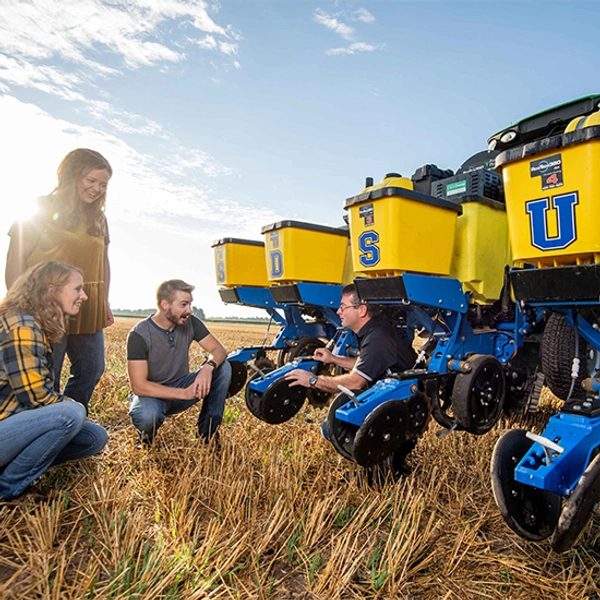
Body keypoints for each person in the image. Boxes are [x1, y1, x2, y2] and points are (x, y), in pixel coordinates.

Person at [5, 149, 114, 412]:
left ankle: (69, 421)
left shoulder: (98, 218)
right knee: (48, 372)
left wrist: (105, 301)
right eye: (91, 181)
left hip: (87, 303)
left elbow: (104, 261)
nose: (97, 189)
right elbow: (16, 256)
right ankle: (45, 427)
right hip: (46, 302)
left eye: (103, 184)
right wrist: (19, 302)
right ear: (72, 176)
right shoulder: (40, 208)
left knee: (91, 367)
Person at [285, 283, 417, 480]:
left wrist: (312, 380)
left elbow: (355, 382)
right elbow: (367, 364)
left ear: (361, 310)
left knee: (332, 428)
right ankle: (388, 459)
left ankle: (383, 467)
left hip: (404, 406)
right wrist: (333, 359)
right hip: (391, 396)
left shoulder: (378, 337)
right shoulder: (373, 331)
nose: (338, 311)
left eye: (343, 307)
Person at [0, 261, 108, 501]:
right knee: (69, 414)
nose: (85, 296)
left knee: (93, 438)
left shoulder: (34, 324)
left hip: (10, 422)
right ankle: (7, 489)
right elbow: (35, 397)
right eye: (77, 289)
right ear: (52, 290)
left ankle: (11, 470)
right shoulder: (22, 326)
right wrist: (74, 406)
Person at [127, 279, 232, 446]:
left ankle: (208, 436)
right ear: (164, 305)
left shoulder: (191, 323)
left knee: (223, 368)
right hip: (152, 395)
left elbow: (219, 351)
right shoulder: (139, 335)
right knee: (146, 417)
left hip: (182, 385)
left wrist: (208, 367)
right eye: (183, 305)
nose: (189, 310)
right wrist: (184, 394)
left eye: (190, 304)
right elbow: (139, 386)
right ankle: (146, 438)